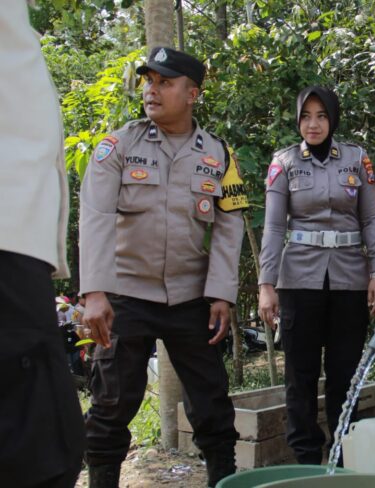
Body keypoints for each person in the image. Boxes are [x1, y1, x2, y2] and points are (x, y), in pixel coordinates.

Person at [79, 46, 249, 487]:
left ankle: (222, 481)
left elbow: (230, 225)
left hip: (192, 299)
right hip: (125, 297)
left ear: (192, 93)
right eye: (148, 81)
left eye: (164, 82)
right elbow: (94, 215)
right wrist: (94, 292)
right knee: (111, 404)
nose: (151, 91)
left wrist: (221, 293)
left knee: (213, 406)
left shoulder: (218, 154)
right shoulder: (118, 146)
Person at [258, 86, 375, 464]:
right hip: (298, 280)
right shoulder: (283, 163)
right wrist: (267, 285)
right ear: (297, 120)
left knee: (345, 373)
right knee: (300, 374)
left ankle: (345, 454)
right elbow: (273, 227)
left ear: (333, 119)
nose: (313, 124)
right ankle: (306, 458)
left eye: (321, 116)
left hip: (349, 280)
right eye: (306, 116)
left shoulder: (355, 159)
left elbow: (370, 218)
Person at [0, 2, 85, 486]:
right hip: (10, 231)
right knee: (38, 444)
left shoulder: (212, 152)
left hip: (19, 236)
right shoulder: (120, 148)